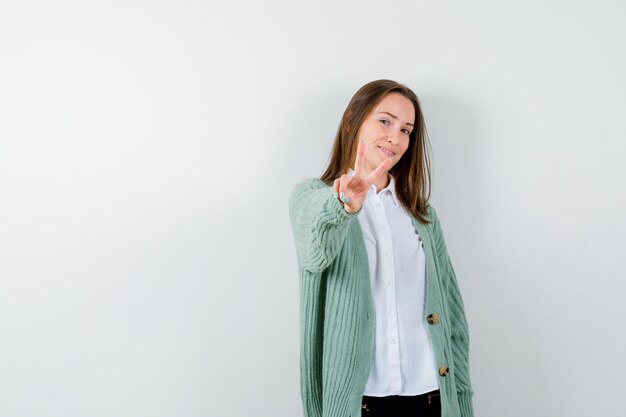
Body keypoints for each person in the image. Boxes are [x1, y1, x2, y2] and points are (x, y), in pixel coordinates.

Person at [288, 79, 475, 417]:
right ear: (352, 122)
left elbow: (452, 317)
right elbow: (316, 252)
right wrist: (342, 205)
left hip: (432, 397)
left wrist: (461, 402)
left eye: (406, 130)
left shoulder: (422, 214)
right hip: (360, 404)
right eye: (385, 121)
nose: (395, 137)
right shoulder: (313, 199)